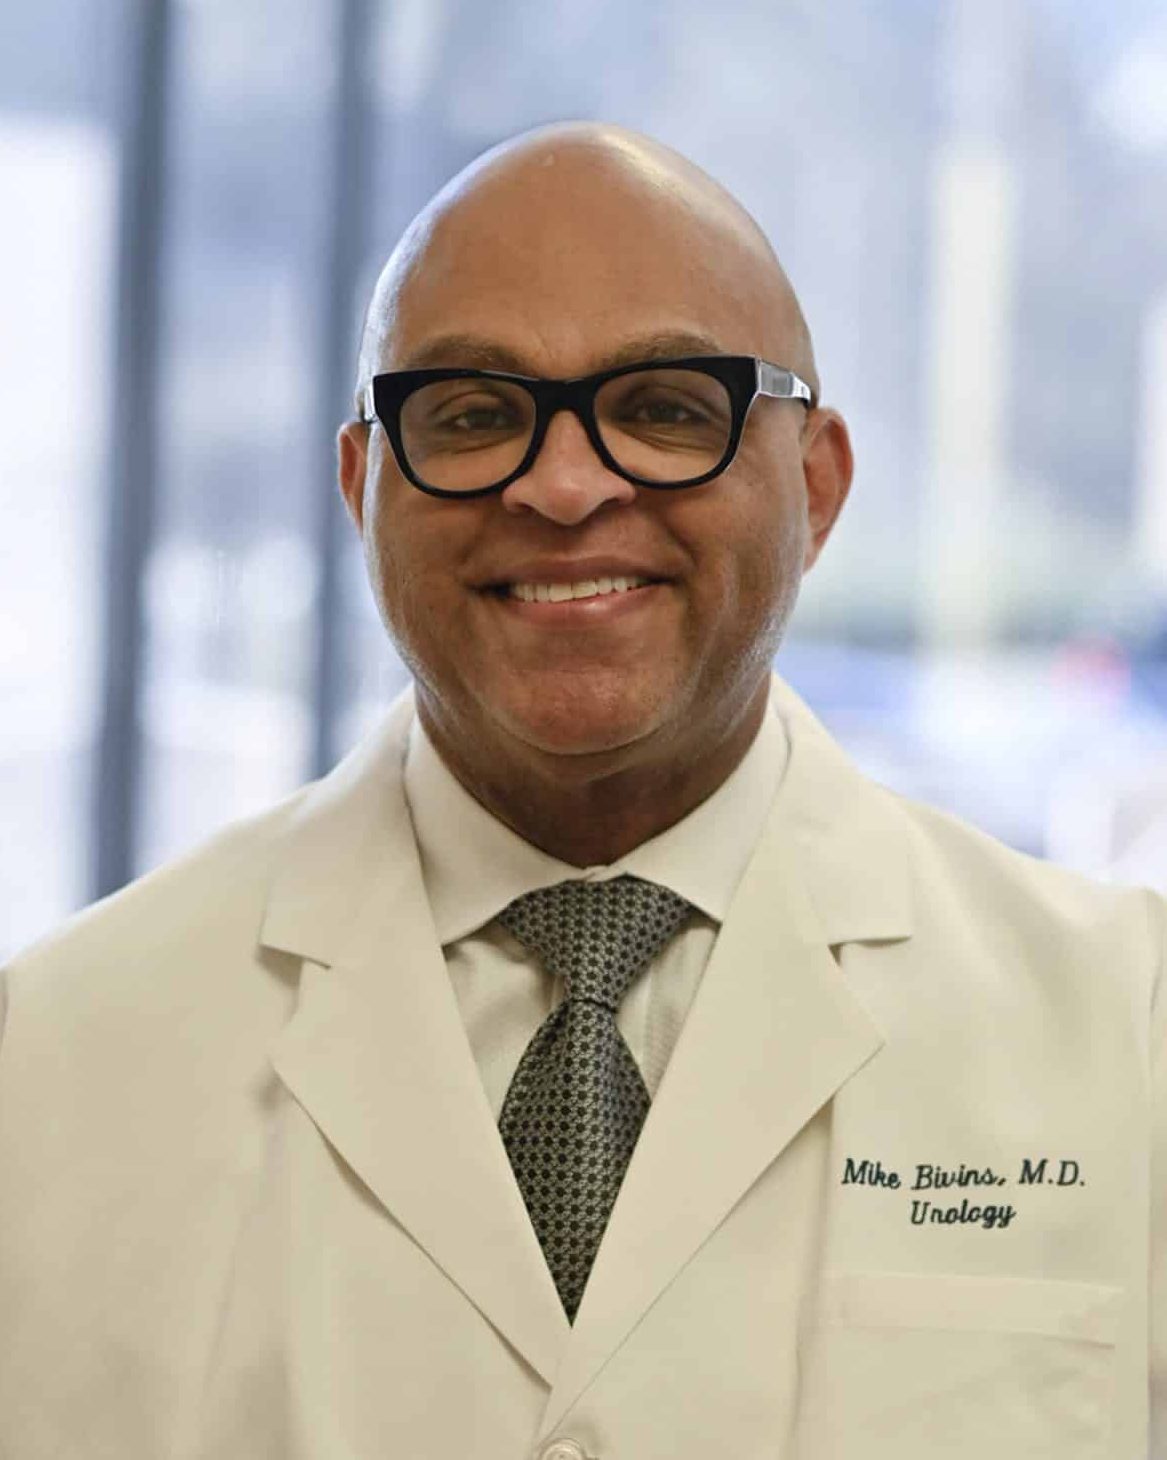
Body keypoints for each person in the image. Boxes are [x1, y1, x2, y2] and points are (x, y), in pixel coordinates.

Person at [0, 121, 1163, 1460]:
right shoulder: (56, 1056)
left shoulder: (1127, 1030)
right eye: (472, 415)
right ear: (362, 485)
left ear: (818, 484)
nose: (561, 487)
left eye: (665, 408)